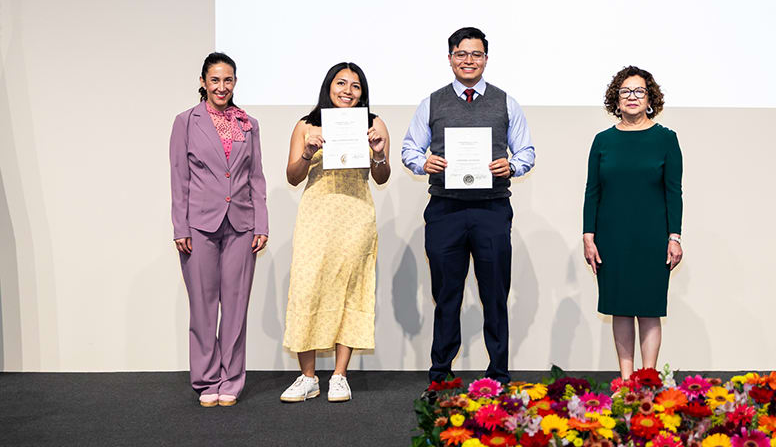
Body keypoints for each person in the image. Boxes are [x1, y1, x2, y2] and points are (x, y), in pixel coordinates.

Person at [402, 27, 535, 384]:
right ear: (450, 59)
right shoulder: (432, 102)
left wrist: (513, 166)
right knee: (446, 294)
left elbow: (526, 151)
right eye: (461, 54)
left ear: (486, 59)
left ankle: (498, 374)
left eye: (476, 54)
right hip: (445, 210)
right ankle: (441, 374)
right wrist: (423, 162)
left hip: (492, 210)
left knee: (495, 295)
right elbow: (410, 148)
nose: (468, 60)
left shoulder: (506, 102)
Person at [280, 62, 390, 403]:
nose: (348, 91)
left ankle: (340, 375)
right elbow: (293, 177)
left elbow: (382, 176)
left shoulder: (373, 124)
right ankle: (308, 377)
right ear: (329, 86)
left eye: (355, 86)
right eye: (341, 83)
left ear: (362, 93)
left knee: (352, 290)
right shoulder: (307, 125)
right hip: (316, 216)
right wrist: (307, 152)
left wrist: (378, 153)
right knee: (307, 289)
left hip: (356, 216)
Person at [169, 52, 269, 407]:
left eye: (228, 80)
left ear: (235, 83)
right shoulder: (186, 121)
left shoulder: (248, 123)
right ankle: (207, 378)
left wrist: (261, 222)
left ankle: (232, 379)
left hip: (241, 224)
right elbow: (179, 177)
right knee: (203, 306)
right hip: (199, 225)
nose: (221, 87)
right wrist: (180, 225)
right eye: (215, 80)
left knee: (236, 307)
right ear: (203, 82)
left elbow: (256, 177)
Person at [582, 65, 683, 379]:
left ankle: (648, 379)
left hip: (653, 237)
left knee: (650, 308)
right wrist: (588, 235)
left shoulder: (666, 139)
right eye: (625, 91)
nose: (632, 97)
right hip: (612, 237)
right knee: (620, 307)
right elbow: (592, 190)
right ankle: (626, 381)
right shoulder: (602, 141)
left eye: (639, 91)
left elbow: (673, 191)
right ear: (616, 98)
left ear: (650, 98)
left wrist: (674, 236)